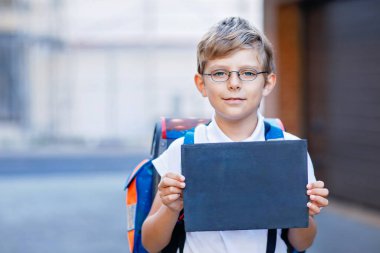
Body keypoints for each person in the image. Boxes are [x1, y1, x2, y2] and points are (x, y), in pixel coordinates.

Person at [141, 17, 329, 253]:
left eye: (248, 73)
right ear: (201, 84)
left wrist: (306, 213)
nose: (234, 83)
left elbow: (302, 242)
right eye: (219, 73)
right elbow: (150, 243)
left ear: (268, 83)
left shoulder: (288, 151)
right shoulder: (183, 149)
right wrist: (170, 208)